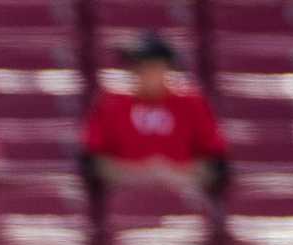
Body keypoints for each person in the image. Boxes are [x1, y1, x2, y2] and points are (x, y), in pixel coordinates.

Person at [82, 32, 228, 195]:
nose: (143, 74)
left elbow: (216, 162)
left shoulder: (191, 104)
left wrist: (173, 174)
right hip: (126, 201)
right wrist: (141, 174)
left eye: (151, 67)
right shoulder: (111, 103)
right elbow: (93, 161)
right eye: (137, 67)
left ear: (167, 68)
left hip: (182, 200)